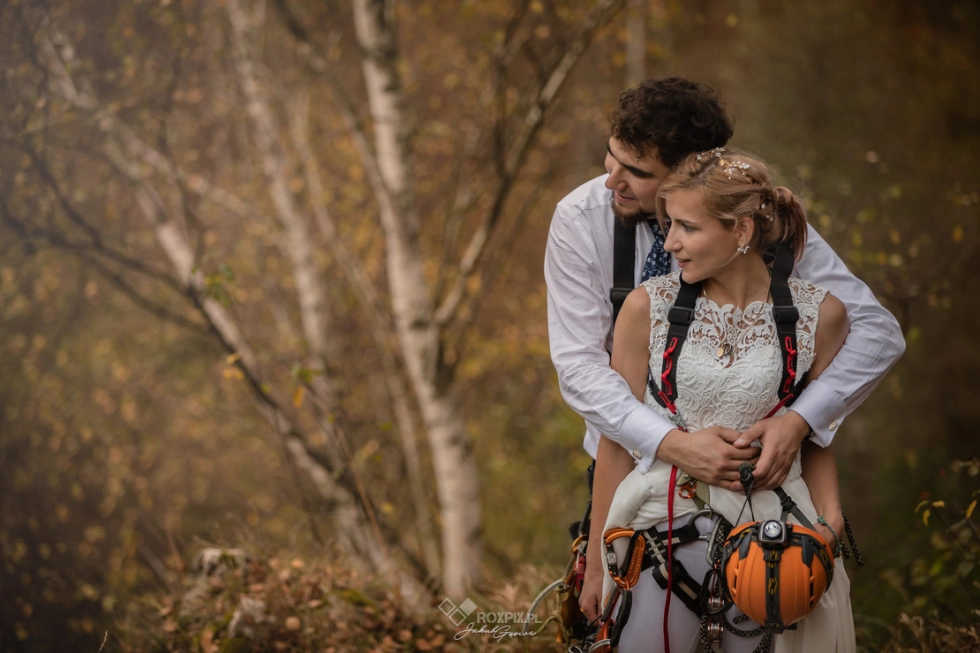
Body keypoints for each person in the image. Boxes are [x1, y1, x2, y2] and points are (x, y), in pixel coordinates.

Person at [543, 77, 903, 640]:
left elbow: (876, 333)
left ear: (692, 170)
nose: (610, 179)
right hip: (633, 484)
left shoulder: (758, 225)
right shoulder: (581, 218)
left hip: (767, 505)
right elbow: (581, 371)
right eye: (610, 157)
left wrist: (798, 419)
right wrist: (671, 444)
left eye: (635, 171)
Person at [591, 147, 855, 652]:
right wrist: (596, 569)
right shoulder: (646, 307)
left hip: (779, 545)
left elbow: (817, 435)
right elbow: (616, 438)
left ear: (741, 232)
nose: (670, 242)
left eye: (686, 228)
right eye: (669, 225)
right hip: (658, 534)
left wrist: (831, 523)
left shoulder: (821, 316)